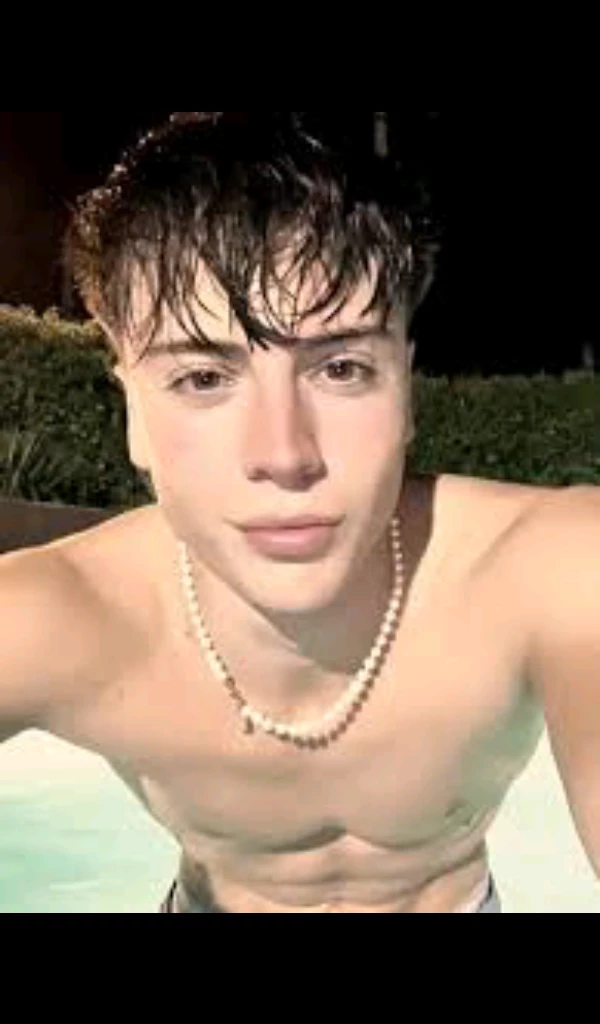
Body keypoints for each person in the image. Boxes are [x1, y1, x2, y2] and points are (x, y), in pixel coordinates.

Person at [2, 111, 599, 913]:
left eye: (342, 368)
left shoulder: (547, 569)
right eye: (203, 379)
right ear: (133, 411)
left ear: (405, 387)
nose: (284, 454)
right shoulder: (59, 617)